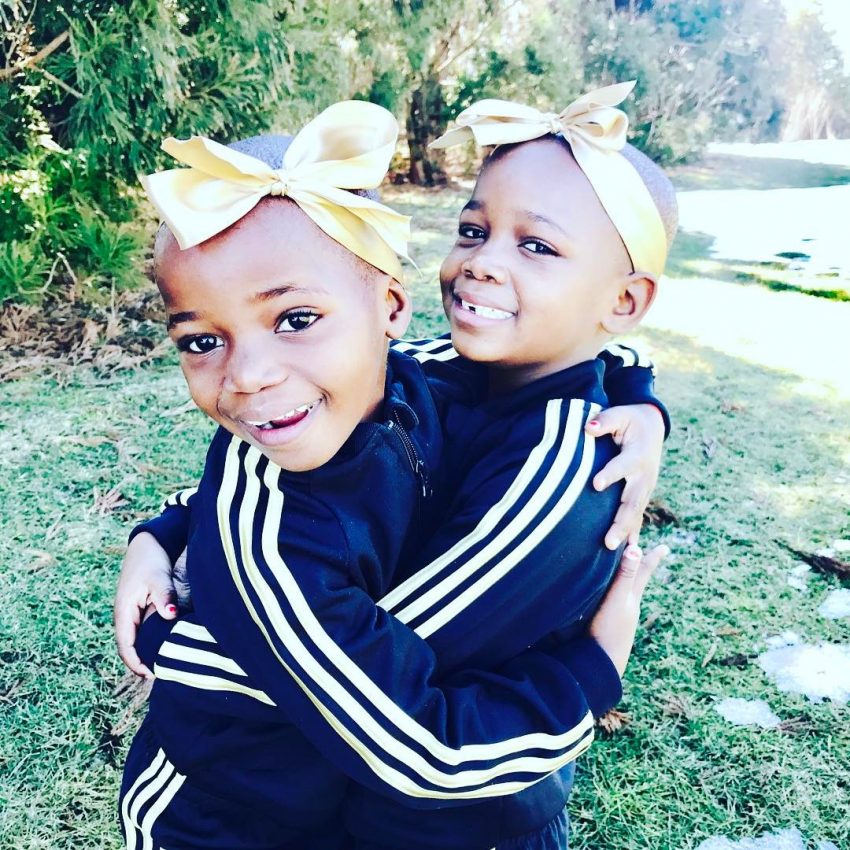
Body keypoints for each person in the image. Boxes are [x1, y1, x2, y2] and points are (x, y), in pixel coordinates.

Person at [117, 85, 673, 850]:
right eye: (472, 230)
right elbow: (343, 666)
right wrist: (169, 533)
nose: (248, 376)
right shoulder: (401, 379)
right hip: (224, 818)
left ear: (388, 308)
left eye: (537, 245)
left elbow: (413, 722)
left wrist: (639, 398)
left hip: (419, 801)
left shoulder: (553, 474)